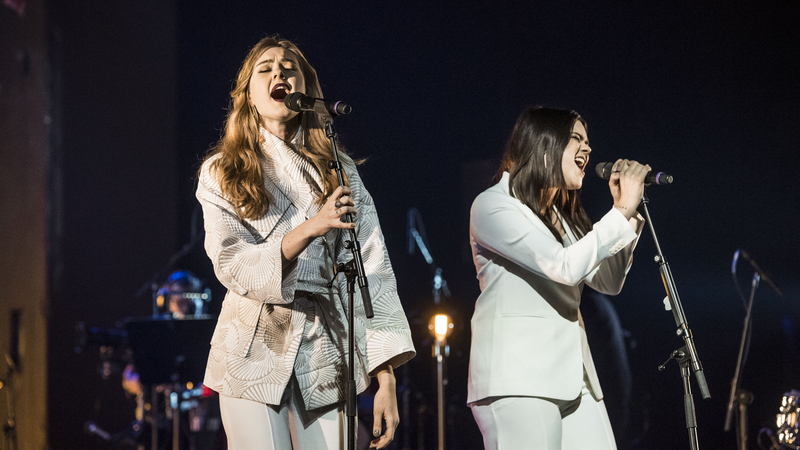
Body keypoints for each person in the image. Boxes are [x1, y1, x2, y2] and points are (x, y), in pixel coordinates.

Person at [195, 36, 415, 450]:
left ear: (307, 90)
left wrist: (385, 377)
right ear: (248, 95)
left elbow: (372, 269)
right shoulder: (222, 170)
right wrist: (312, 226)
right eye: (265, 69)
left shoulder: (339, 169)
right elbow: (231, 262)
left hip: (326, 345)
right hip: (253, 342)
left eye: (289, 68)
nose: (279, 73)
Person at [467, 107, 650, 449]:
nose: (588, 148)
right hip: (519, 379)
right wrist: (620, 211)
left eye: (588, 141)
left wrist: (627, 214)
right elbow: (562, 266)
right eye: (576, 138)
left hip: (573, 376)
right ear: (544, 143)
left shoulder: (561, 218)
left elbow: (608, 282)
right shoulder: (493, 205)